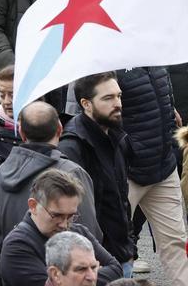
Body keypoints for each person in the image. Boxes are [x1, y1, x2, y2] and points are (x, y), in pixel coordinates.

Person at [0, 100, 101, 259]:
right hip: (63, 275)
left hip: (16, 271)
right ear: (60, 129)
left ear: (21, 133)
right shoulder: (72, 174)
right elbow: (89, 237)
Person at [117, 65, 188, 283]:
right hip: (127, 172)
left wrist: (170, 109)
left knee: (175, 242)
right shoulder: (110, 60)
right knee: (115, 245)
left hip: (163, 168)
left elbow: (162, 95)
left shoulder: (155, 56)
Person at [58, 73, 135, 269]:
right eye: (108, 98)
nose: (117, 103)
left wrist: (130, 244)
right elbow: (74, 213)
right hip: (96, 261)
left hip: (121, 254)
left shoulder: (116, 134)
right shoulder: (73, 146)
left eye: (118, 96)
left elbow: (120, 199)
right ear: (86, 104)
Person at [0, 170, 123, 286]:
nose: (64, 225)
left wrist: (74, 276)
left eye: (70, 216)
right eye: (56, 215)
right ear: (33, 206)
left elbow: (116, 270)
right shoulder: (16, 246)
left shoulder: (79, 232)